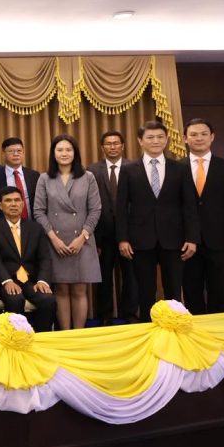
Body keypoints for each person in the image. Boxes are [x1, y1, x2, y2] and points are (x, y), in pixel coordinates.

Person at [116, 120, 199, 322]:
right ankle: (148, 329)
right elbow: (121, 207)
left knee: (174, 290)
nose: (156, 141)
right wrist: (123, 239)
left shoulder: (180, 168)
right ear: (140, 141)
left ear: (167, 139)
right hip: (140, 240)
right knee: (145, 291)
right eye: (150, 137)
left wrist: (192, 238)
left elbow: (189, 206)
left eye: (160, 137)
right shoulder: (128, 169)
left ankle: (174, 327)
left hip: (174, 239)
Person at [33, 134, 101, 330]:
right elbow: (38, 211)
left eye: (68, 150)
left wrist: (83, 237)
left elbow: (95, 209)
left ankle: (78, 335)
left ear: (75, 153)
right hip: (55, 241)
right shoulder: (44, 178)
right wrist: (53, 239)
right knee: (61, 289)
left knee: (80, 289)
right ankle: (64, 334)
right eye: (60, 150)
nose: (64, 153)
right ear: (53, 153)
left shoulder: (88, 177)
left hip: (82, 241)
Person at [181, 118, 224, 313]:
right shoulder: (176, 168)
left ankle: (221, 331)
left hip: (220, 242)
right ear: (185, 139)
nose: (199, 138)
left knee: (221, 294)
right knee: (191, 293)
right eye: (193, 134)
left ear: (212, 137)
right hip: (186, 243)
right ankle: (195, 331)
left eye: (204, 134)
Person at [0, 187, 56, 332]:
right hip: (6, 281)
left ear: (23, 204)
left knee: (48, 299)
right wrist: (7, 281)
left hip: (31, 281)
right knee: (15, 299)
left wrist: (42, 281)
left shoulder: (35, 228)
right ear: (0, 206)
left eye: (17, 200)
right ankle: (16, 339)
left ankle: (40, 338)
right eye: (8, 201)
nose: (13, 204)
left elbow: (44, 258)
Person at [87, 130, 138, 324]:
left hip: (131, 234)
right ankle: (105, 317)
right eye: (108, 143)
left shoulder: (134, 167)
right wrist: (94, 238)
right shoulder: (92, 170)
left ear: (123, 146)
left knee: (131, 277)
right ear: (102, 147)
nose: (113, 146)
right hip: (103, 235)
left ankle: (131, 315)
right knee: (104, 278)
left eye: (116, 143)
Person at [0, 137, 40, 220]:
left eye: (19, 151)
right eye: (11, 151)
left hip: (32, 223)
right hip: (4, 224)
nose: (16, 154)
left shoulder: (34, 175)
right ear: (3, 154)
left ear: (23, 153)